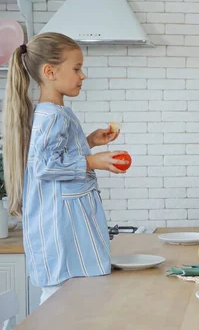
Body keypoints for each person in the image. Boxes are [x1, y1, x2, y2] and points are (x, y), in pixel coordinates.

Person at [3, 33, 129, 305]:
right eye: (76, 68)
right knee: (62, 304)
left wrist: (89, 142)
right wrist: (91, 161)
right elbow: (45, 166)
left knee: (75, 302)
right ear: (49, 71)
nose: (82, 76)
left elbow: (52, 156)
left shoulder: (55, 113)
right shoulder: (52, 117)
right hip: (62, 233)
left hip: (67, 227)